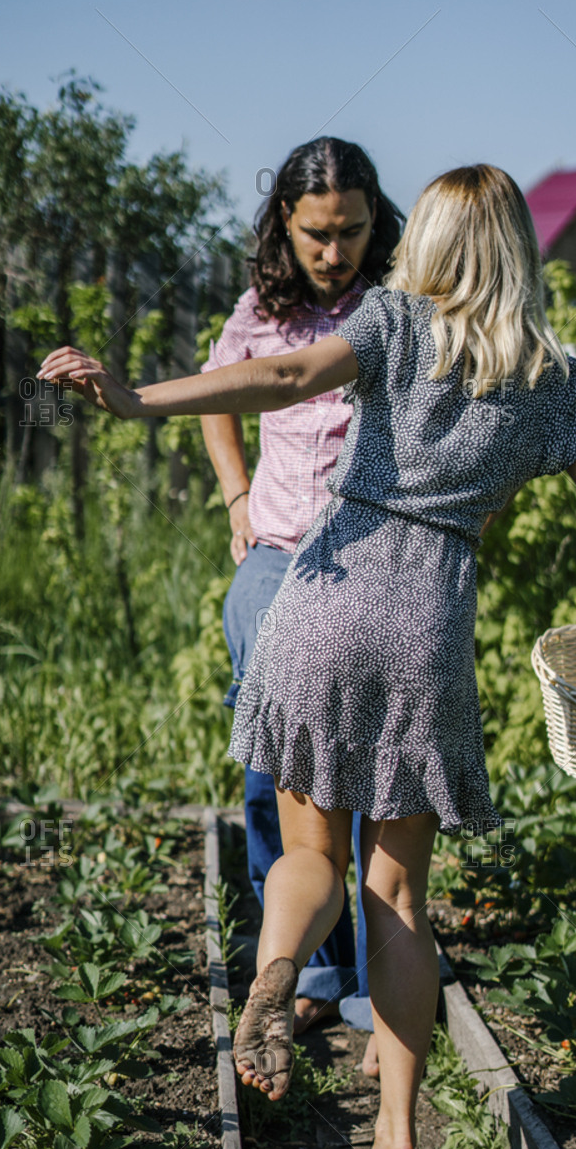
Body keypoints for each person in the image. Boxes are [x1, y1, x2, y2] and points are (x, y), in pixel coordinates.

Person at [39, 162, 576, 1149]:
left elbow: (285, 380)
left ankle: (278, 969)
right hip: (427, 627)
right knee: (399, 894)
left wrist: (134, 398)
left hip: (325, 599)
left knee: (310, 851)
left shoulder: (392, 322)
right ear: (518, 249)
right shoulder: (548, 374)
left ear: (423, 238)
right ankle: (395, 1138)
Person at [199, 137, 406, 1075]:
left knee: (364, 769)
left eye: (353, 231)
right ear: (285, 223)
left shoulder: (396, 307)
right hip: (278, 555)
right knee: (272, 751)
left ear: (375, 221)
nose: (336, 252)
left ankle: (371, 983)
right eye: (318, 234)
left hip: (369, 559)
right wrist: (236, 495)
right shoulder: (261, 310)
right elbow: (218, 393)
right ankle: (307, 978)